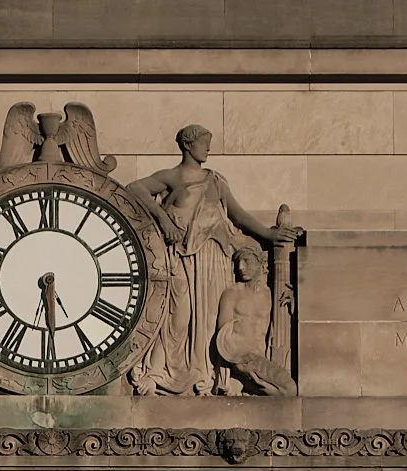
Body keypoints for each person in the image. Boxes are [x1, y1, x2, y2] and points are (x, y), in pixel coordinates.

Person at [126, 125, 297, 394]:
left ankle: (206, 375)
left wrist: (267, 234)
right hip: (181, 256)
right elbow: (134, 189)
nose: (208, 148)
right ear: (187, 145)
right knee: (177, 315)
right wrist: (163, 219)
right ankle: (166, 372)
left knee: (208, 319)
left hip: (212, 256)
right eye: (204, 143)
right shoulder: (173, 176)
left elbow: (238, 215)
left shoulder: (215, 181)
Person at [213, 247, 295, 396]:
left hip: (260, 358)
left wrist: (296, 299)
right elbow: (223, 335)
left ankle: (257, 388)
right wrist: (236, 360)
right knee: (289, 390)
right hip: (240, 357)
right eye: (238, 263)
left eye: (246, 261)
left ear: (261, 263)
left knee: (290, 389)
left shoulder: (272, 294)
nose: (241, 267)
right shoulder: (232, 293)